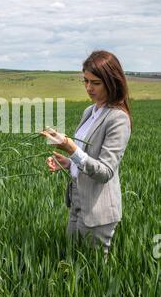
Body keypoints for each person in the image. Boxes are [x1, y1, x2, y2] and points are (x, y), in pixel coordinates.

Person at [41, 50, 132, 256]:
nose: (89, 88)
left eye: (96, 83)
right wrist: (67, 161)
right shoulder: (89, 112)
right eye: (85, 81)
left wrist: (71, 148)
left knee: (92, 277)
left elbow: (105, 171)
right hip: (77, 201)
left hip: (97, 210)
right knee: (72, 266)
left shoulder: (118, 118)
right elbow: (85, 156)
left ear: (112, 82)